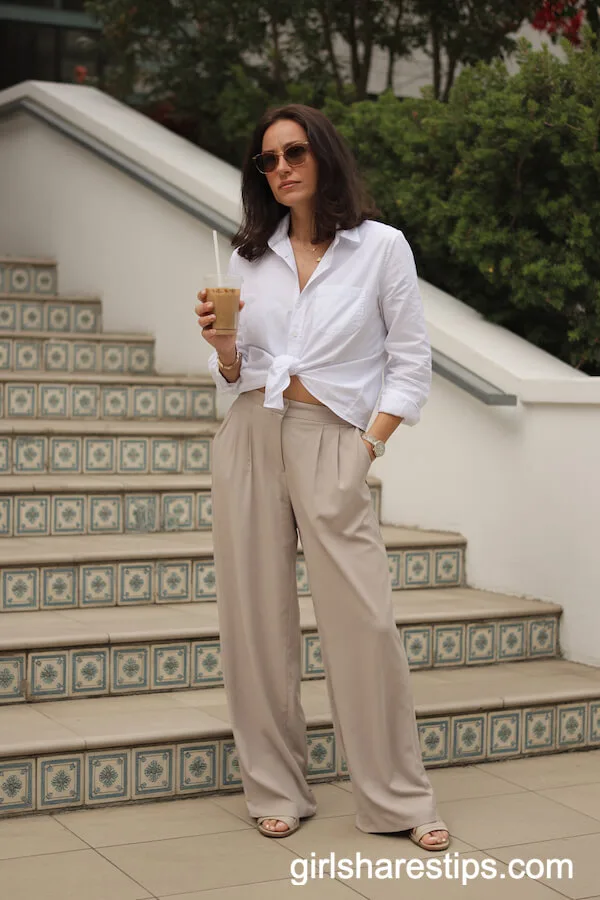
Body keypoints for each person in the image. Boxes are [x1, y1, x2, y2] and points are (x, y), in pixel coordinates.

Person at [196, 103, 450, 851]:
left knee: (364, 624)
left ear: (323, 155)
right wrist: (222, 348)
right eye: (266, 160)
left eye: (294, 152)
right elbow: (235, 378)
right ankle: (275, 787)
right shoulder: (247, 259)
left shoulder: (381, 249)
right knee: (256, 622)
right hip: (250, 437)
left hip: (334, 440)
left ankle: (398, 799)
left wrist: (366, 447)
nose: (281, 169)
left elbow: (410, 365)